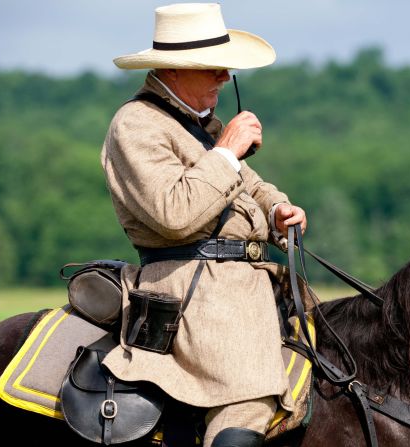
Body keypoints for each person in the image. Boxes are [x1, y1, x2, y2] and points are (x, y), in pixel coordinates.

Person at [99, 3, 307, 447]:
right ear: (174, 71)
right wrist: (227, 151)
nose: (225, 77)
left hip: (247, 287)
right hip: (192, 293)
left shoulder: (201, 127)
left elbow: (252, 185)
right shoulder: (135, 123)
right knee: (248, 398)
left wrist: (277, 211)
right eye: (213, 67)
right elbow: (172, 214)